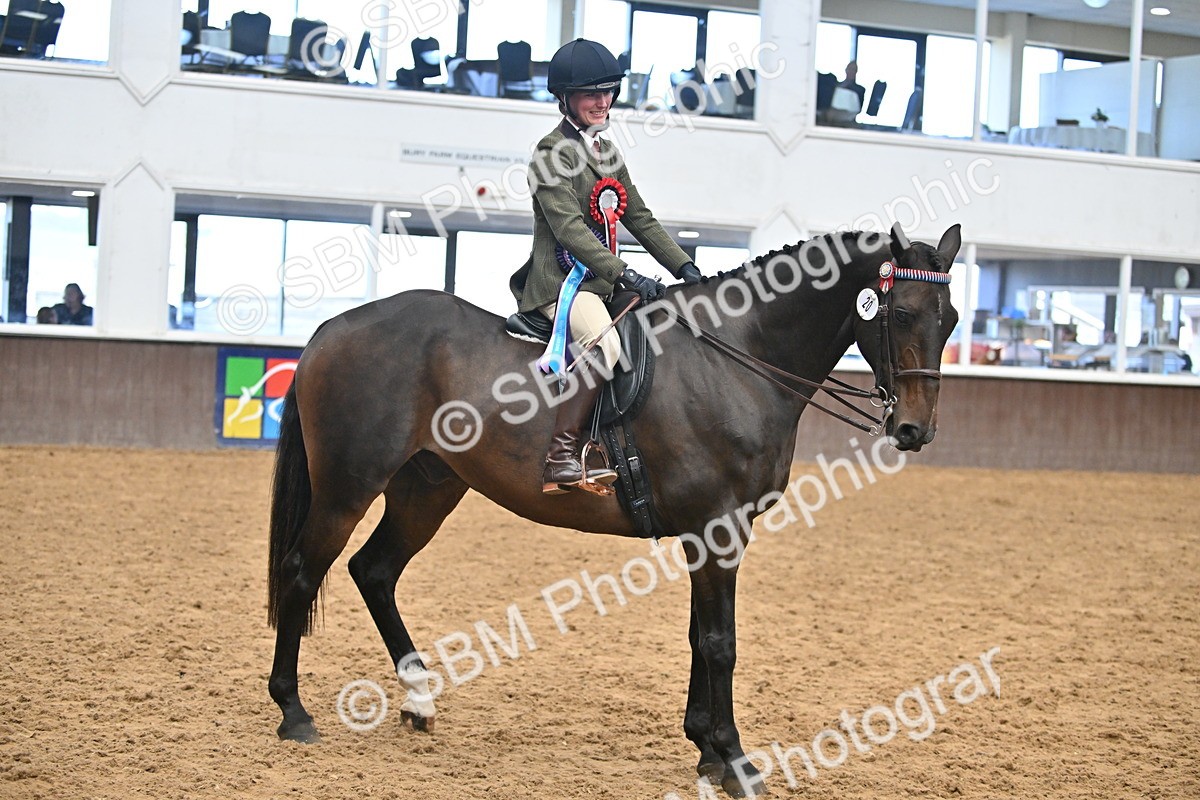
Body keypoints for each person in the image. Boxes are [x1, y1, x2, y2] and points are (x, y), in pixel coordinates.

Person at [508, 38, 704, 495]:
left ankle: (616, 445)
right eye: (590, 93)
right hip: (562, 286)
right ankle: (561, 456)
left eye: (608, 91)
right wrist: (625, 273)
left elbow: (639, 216)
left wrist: (684, 267)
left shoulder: (607, 152)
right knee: (604, 346)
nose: (602, 101)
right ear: (565, 98)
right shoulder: (549, 153)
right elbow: (570, 230)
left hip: (603, 283)